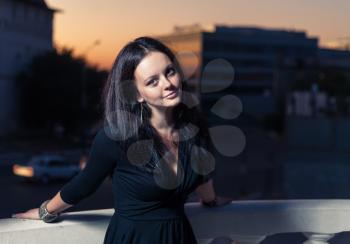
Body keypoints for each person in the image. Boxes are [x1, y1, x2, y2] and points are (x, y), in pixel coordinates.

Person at [12, 37, 233, 243]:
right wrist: (45, 211)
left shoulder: (195, 130)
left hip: (179, 236)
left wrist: (211, 201)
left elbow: (202, 175)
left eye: (170, 71)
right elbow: (85, 183)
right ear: (137, 94)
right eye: (153, 81)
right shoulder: (116, 137)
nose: (168, 84)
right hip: (133, 237)